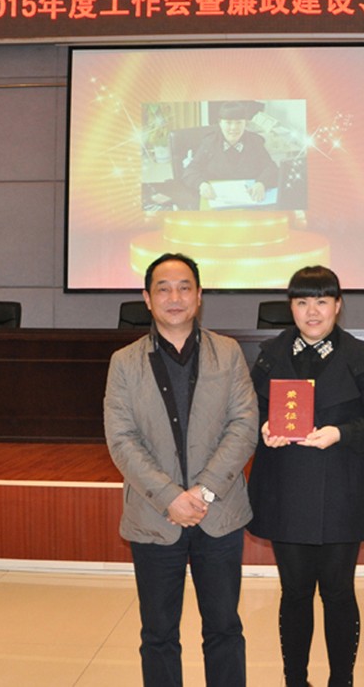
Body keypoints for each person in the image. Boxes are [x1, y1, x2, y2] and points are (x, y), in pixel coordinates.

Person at [103, 252, 259, 687]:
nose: (175, 297)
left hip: (219, 514)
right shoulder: (124, 362)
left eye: (184, 287)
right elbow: (121, 439)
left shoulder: (228, 353)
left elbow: (244, 425)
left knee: (224, 629)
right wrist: (171, 496)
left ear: (199, 295)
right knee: (158, 635)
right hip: (155, 517)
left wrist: (203, 492)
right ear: (147, 299)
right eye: (164, 289)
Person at [247, 265, 364, 687]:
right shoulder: (270, 354)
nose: (311, 311)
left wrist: (341, 433)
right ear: (290, 307)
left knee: (337, 592)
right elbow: (245, 411)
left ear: (337, 305)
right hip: (286, 489)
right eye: (301, 302)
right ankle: (295, 680)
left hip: (341, 491)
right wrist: (263, 428)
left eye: (321, 301)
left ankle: (341, 681)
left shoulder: (360, 356)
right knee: (295, 593)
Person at [182, 100, 279, 204]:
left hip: (249, 199)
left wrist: (262, 183)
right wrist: (202, 185)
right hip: (217, 199)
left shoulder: (255, 142)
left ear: (245, 123)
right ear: (220, 123)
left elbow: (271, 167)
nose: (234, 128)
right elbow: (190, 171)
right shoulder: (209, 143)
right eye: (228, 123)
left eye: (239, 122)